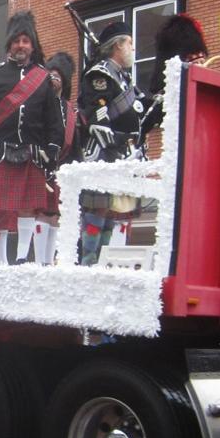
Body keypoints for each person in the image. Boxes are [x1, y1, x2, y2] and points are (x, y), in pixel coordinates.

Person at [0, 11, 62, 263]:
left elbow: (54, 119)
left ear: (32, 46)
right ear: (9, 44)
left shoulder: (43, 80)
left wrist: (53, 146)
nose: (21, 45)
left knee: (27, 206)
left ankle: (21, 257)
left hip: (30, 151)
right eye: (17, 41)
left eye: (26, 41)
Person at [77, 22, 150, 265]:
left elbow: (140, 109)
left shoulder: (123, 77)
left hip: (121, 152)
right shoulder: (100, 74)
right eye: (129, 42)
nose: (133, 47)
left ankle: (102, 262)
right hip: (103, 151)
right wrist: (118, 140)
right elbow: (98, 118)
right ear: (118, 44)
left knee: (111, 211)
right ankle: (88, 261)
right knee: (98, 209)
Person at [31, 51, 79, 265]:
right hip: (38, 163)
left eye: (58, 75)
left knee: (55, 216)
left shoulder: (71, 111)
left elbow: (75, 145)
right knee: (39, 214)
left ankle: (49, 262)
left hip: (61, 168)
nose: (54, 78)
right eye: (50, 74)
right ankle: (39, 261)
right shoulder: (37, 104)